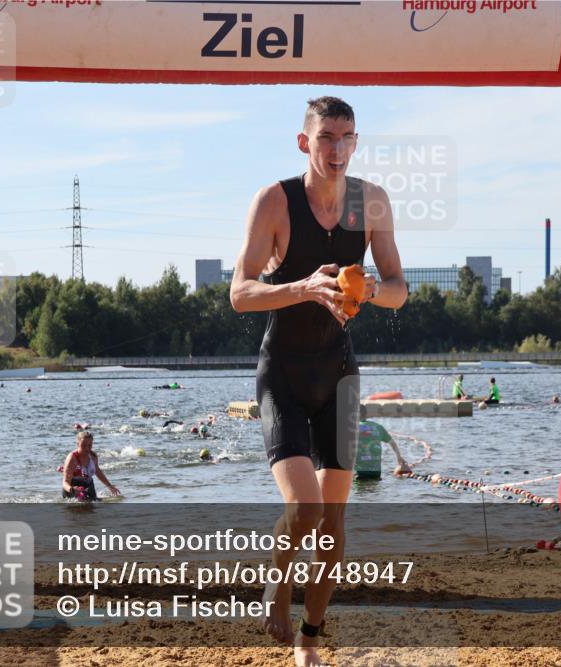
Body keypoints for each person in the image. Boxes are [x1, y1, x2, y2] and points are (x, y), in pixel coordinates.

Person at [229, 96, 406, 665]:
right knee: (303, 510)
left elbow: (400, 288)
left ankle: (312, 635)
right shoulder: (274, 202)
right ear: (305, 142)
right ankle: (277, 584)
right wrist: (304, 288)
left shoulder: (371, 201)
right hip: (282, 369)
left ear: (356, 143)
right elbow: (239, 292)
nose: (337, 149)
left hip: (339, 374)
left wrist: (369, 289)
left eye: (347, 138)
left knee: (332, 526)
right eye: (326, 137)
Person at [61, 431, 120, 501]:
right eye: (84, 445)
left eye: (90, 445)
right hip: (73, 489)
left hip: (88, 485)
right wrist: (72, 489)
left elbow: (97, 471)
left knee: (95, 506)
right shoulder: (72, 458)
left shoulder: (93, 456)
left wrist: (109, 486)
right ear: (77, 444)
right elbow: (65, 482)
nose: (87, 448)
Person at [354, 408, 411, 480]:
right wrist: (399, 458)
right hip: (376, 472)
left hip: (359, 471)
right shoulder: (378, 427)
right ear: (366, 414)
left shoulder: (352, 427)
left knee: (359, 489)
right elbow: (393, 443)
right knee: (373, 490)